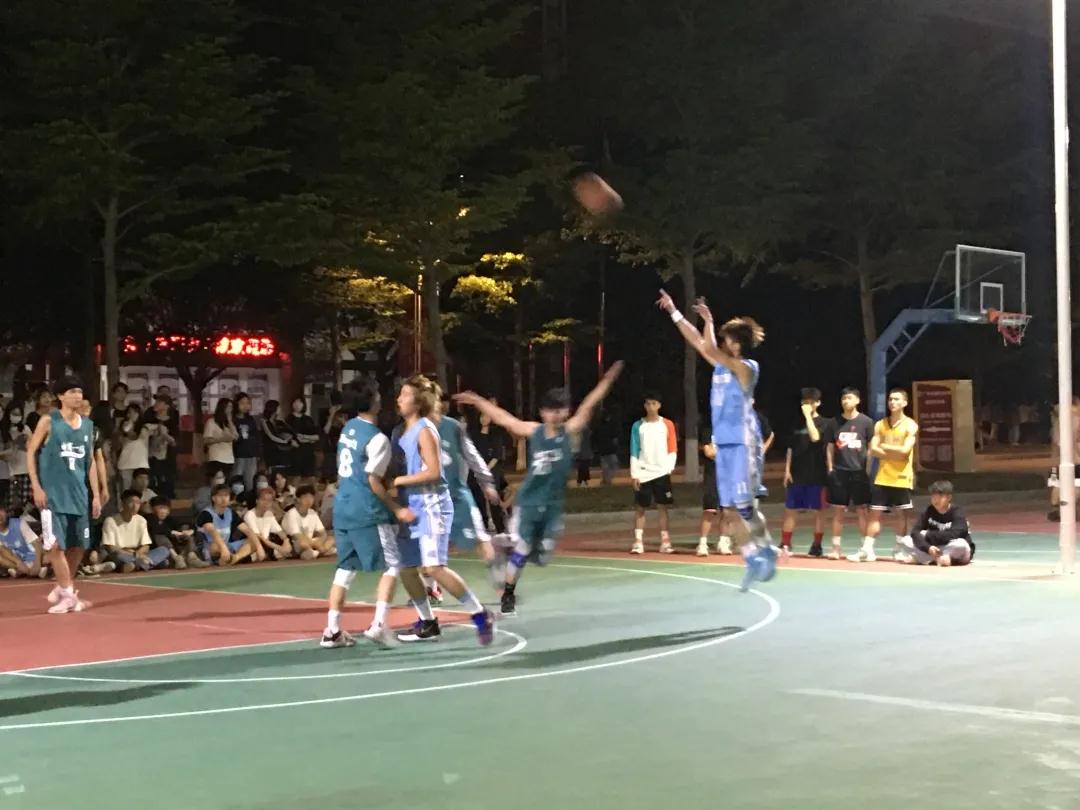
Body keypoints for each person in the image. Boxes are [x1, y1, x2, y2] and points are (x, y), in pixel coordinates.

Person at [454, 361, 624, 617]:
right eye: (551, 410)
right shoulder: (534, 431)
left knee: (542, 557)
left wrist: (607, 380)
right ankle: (508, 594)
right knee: (523, 551)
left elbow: (589, 403)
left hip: (552, 506)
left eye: (561, 410)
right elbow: (505, 419)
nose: (556, 415)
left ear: (566, 411)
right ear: (543, 412)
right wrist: (478, 401)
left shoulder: (570, 431)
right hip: (529, 503)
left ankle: (507, 544)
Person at [657, 291, 775, 592]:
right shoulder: (722, 367)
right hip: (724, 446)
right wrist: (674, 312)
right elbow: (699, 343)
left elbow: (705, 345)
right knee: (730, 510)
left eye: (727, 339)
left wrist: (708, 324)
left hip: (743, 444)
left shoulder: (747, 368)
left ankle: (766, 547)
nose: (723, 343)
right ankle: (752, 558)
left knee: (744, 507)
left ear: (736, 343)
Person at [322, 377, 434, 649]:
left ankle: (332, 630)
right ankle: (379, 624)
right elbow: (373, 481)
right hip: (367, 509)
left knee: (344, 570)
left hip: (343, 506)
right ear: (373, 401)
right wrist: (397, 509)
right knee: (394, 564)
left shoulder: (348, 428)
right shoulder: (378, 439)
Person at [385, 375, 495, 643]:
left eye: (405, 395)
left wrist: (398, 481)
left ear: (418, 402)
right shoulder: (401, 431)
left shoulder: (425, 430)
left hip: (432, 504)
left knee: (434, 568)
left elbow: (434, 472)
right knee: (406, 567)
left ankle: (480, 614)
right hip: (413, 504)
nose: (399, 399)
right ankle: (427, 622)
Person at [26, 376, 103, 613]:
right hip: (53, 495)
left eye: (79, 391)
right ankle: (68, 594)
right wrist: (37, 486)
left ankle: (64, 586)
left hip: (79, 494)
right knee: (55, 546)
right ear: (61, 396)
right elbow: (30, 452)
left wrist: (96, 494)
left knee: (79, 545)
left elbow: (90, 462)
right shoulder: (49, 421)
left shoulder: (88, 425)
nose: (78, 396)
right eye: (72, 392)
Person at [432, 390, 503, 584]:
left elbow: (472, 455)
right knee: (427, 549)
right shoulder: (414, 429)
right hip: (430, 499)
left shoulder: (453, 427)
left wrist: (486, 482)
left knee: (480, 538)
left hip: (456, 495)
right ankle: (431, 590)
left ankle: (502, 582)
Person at [848, 388, 920, 563]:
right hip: (882, 477)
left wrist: (885, 448)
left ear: (905, 403)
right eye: (890, 399)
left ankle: (899, 549)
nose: (892, 402)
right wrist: (893, 452)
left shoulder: (910, 425)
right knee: (875, 514)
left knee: (901, 514)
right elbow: (873, 449)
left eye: (896, 399)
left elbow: (905, 452)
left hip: (901, 477)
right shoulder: (880, 424)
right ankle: (867, 550)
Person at [824, 387, 875, 559]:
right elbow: (830, 446)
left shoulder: (866, 422)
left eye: (849, 398)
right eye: (844, 398)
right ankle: (836, 548)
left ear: (857, 400)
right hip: (840, 472)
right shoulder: (833, 422)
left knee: (862, 509)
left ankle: (865, 548)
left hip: (859, 472)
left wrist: (867, 468)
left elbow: (870, 448)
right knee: (838, 511)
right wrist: (830, 467)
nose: (846, 401)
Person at [628, 393, 678, 554]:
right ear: (644, 406)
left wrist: (669, 467)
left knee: (662, 507)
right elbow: (634, 450)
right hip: (643, 472)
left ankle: (665, 542)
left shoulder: (667, 424)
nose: (650, 407)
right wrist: (635, 474)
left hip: (662, 472)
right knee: (640, 508)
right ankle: (638, 542)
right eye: (648, 404)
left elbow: (672, 447)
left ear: (659, 405)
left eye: (654, 403)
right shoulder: (638, 426)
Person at [781, 388, 828, 556]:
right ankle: (785, 543)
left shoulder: (825, 423)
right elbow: (790, 448)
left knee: (819, 511)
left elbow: (815, 438)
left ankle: (816, 545)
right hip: (797, 473)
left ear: (818, 403)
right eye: (804, 402)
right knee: (790, 510)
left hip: (817, 473)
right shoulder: (795, 423)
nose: (806, 405)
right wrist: (787, 470)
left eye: (810, 402)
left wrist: (808, 416)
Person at [896, 480, 975, 566]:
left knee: (960, 544)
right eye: (933, 497)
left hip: (952, 547)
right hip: (934, 548)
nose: (936, 500)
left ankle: (924, 559)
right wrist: (928, 548)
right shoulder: (928, 511)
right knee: (906, 540)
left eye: (940, 497)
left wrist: (928, 535)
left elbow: (956, 534)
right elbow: (915, 532)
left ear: (949, 497)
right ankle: (940, 559)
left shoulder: (957, 512)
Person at [102, 490, 171, 572]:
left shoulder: (141, 520)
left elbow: (146, 546)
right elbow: (111, 548)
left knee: (163, 550)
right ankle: (146, 564)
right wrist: (134, 555)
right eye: (131, 502)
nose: (135, 506)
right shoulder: (110, 520)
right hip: (122, 553)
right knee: (118, 556)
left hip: (138, 554)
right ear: (123, 504)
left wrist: (138, 554)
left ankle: (136, 565)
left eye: (138, 503)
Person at [468, 405, 510, 534]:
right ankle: (483, 523)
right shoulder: (474, 434)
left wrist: (485, 469)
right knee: (476, 494)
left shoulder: (496, 435)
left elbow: (497, 456)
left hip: (491, 469)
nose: (484, 419)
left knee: (493, 497)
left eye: (487, 416)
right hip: (476, 469)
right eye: (482, 416)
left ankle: (500, 527)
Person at [197, 483, 259, 565]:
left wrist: (259, 548)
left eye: (226, 495)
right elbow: (213, 532)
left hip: (227, 547)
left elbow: (247, 530)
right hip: (210, 549)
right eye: (220, 496)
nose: (224, 499)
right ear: (213, 498)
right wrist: (223, 548)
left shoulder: (231, 513)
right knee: (214, 546)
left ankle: (235, 558)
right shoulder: (206, 514)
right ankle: (225, 558)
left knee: (253, 541)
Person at [147, 495, 206, 568]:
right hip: (160, 551)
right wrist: (172, 532)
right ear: (152, 509)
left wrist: (190, 531)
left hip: (176, 549)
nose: (163, 511)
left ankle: (192, 557)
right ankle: (176, 558)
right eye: (160, 508)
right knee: (159, 536)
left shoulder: (170, 520)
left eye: (165, 508)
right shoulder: (148, 518)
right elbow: (156, 529)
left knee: (185, 529)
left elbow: (188, 524)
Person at [284, 484, 334, 559]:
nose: (309, 500)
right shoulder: (292, 513)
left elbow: (323, 533)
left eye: (311, 497)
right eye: (305, 497)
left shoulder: (312, 513)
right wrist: (316, 544)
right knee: (303, 543)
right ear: (298, 499)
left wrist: (319, 542)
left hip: (311, 543)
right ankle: (321, 551)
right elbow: (297, 536)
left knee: (331, 539)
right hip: (296, 544)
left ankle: (318, 552)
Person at [243, 487, 293, 560]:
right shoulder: (250, 515)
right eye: (263, 499)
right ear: (257, 500)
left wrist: (286, 541)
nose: (266, 503)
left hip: (267, 546)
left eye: (269, 501)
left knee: (287, 549)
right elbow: (258, 537)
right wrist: (279, 548)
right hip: (253, 546)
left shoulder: (269, 514)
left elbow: (280, 532)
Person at [1, 404, 33, 511]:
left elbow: (32, 446)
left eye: (19, 414)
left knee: (24, 502)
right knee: (10, 503)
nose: (16, 416)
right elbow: (7, 453)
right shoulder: (4, 430)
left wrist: (27, 441)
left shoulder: (25, 428)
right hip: (10, 471)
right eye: (14, 413)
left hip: (25, 469)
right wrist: (16, 443)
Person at [0, 503, 44, 578]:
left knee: (49, 557)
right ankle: (24, 570)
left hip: (31, 556)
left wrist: (37, 563)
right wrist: (18, 563)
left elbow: (37, 543)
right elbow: (3, 550)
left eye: (1, 511)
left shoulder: (19, 523)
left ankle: (25, 570)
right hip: (16, 559)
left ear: (6, 513)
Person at [145, 397, 177, 498]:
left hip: (167, 456)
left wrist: (164, 435)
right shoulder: (150, 419)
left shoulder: (172, 421)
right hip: (150, 455)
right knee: (152, 479)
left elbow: (174, 442)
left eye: (159, 402)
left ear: (167, 406)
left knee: (166, 480)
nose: (156, 404)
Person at [116, 403, 150, 491]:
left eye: (135, 412)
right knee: (126, 489)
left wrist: (131, 424)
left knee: (140, 489)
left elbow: (134, 437)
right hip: (126, 463)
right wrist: (129, 423)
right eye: (130, 412)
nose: (132, 414)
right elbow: (123, 437)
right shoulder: (124, 426)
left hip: (140, 463)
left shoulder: (144, 428)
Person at [203, 398, 238, 480]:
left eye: (231, 407)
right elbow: (206, 440)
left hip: (229, 458)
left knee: (226, 482)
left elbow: (236, 436)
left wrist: (229, 420)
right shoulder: (211, 422)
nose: (230, 410)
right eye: (228, 407)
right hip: (216, 458)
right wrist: (221, 439)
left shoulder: (229, 423)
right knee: (216, 481)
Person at [232, 392, 260, 492]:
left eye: (247, 403)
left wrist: (257, 453)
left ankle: (249, 499)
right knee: (237, 483)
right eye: (242, 403)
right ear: (236, 404)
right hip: (238, 455)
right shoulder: (232, 419)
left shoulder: (250, 419)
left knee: (250, 482)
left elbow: (256, 436)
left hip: (251, 455)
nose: (245, 405)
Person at [287, 397, 320, 479]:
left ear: (303, 405)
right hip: (295, 451)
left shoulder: (308, 419)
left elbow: (316, 436)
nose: (297, 404)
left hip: (308, 451)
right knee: (296, 476)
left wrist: (304, 437)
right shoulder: (289, 419)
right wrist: (306, 439)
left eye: (300, 402)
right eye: (295, 402)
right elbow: (290, 436)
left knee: (310, 476)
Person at [261, 399, 296, 475]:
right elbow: (271, 436)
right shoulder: (264, 421)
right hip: (270, 450)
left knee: (282, 472)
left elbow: (291, 432)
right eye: (279, 407)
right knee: (272, 472)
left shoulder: (279, 422)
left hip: (281, 450)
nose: (280, 409)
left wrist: (284, 423)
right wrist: (286, 442)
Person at [593, 411, 620, 486]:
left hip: (602, 450)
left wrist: (596, 447)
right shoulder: (610, 427)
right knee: (614, 465)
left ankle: (605, 480)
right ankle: (608, 479)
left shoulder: (598, 428)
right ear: (607, 418)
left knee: (605, 467)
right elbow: (615, 439)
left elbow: (595, 438)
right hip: (610, 450)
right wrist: (616, 447)